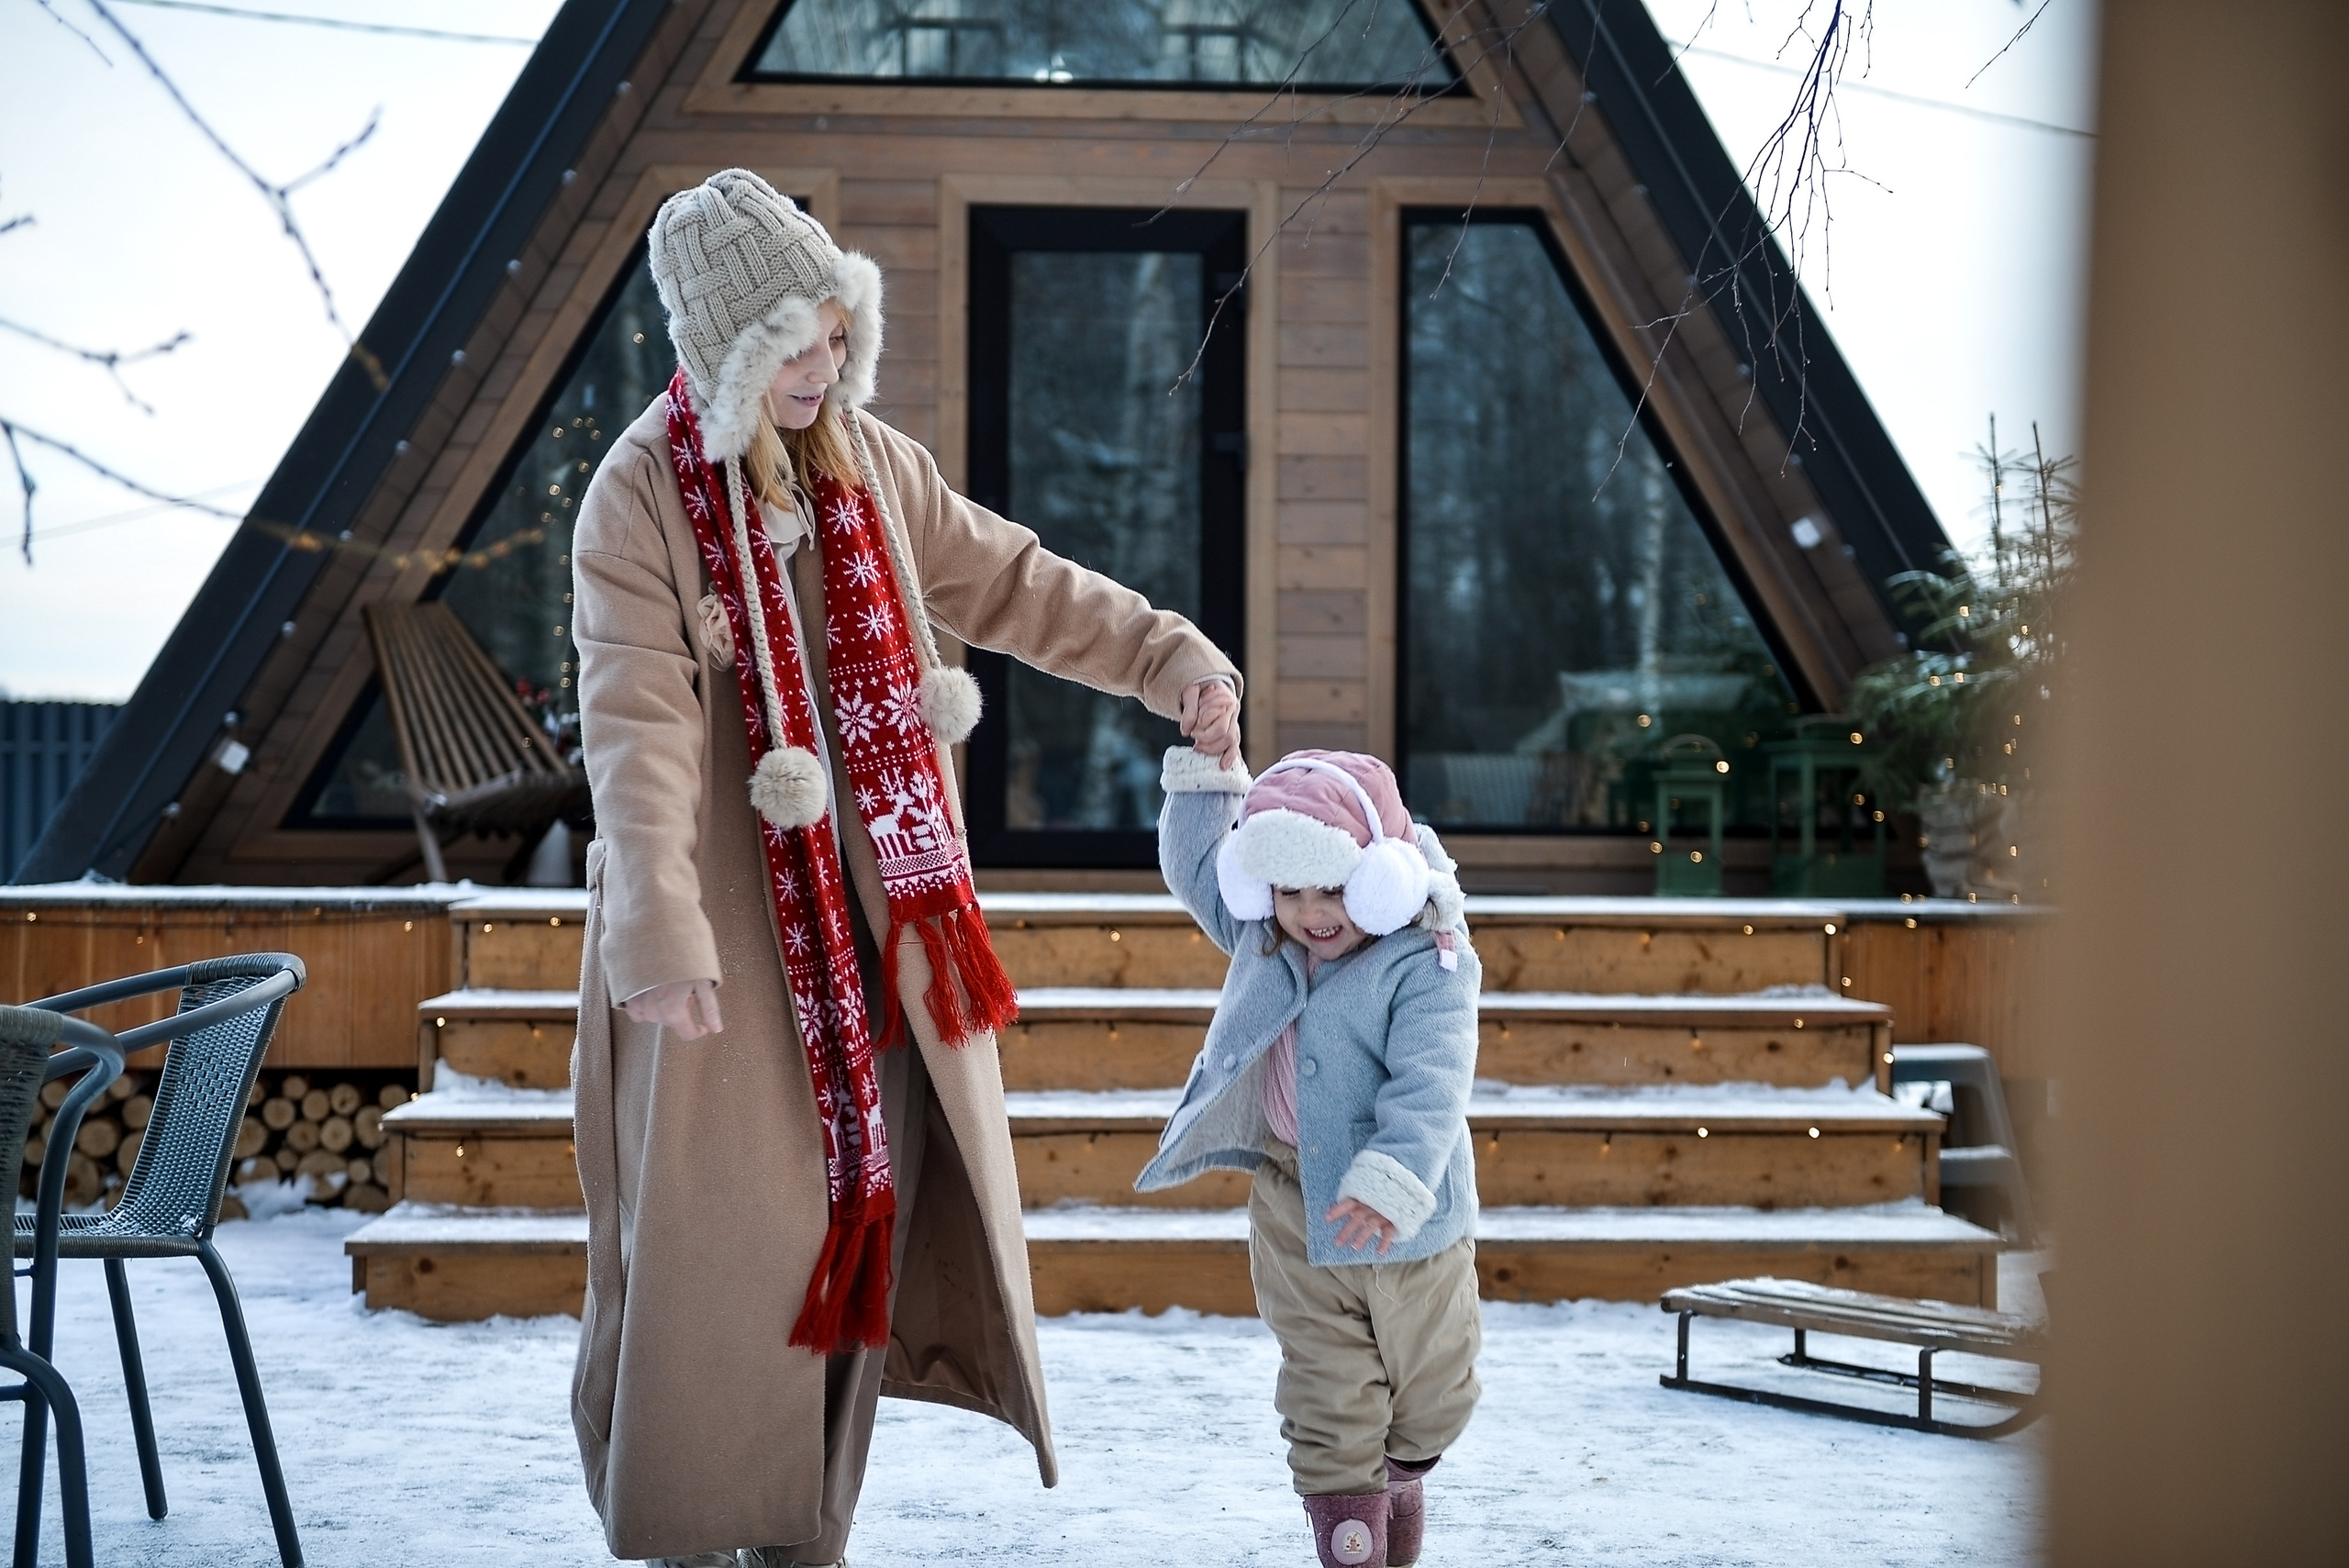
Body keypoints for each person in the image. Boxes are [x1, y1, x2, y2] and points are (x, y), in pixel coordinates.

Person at [568, 168, 1242, 1568]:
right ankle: (695, 1523)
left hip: (879, 932)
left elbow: (1019, 582)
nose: (822, 370)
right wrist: (656, 929)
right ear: (725, 351)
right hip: (720, 944)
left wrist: (1167, 654)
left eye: (832, 335)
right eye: (790, 349)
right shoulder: (638, 499)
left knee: (858, 1218)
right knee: (717, 1259)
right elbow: (633, 726)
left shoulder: (872, 466)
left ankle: (812, 1535)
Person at [1140, 746, 1482, 1568]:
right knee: (1330, 1401)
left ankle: (1396, 1480)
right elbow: (1196, 869)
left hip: (1414, 1222)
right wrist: (1208, 768)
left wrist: (1393, 1177)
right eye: (1287, 891)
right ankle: (1351, 1533)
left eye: (1331, 888)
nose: (1310, 911)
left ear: (1381, 877)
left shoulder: (1428, 959)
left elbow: (1432, 1082)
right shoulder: (1267, 938)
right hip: (1295, 1206)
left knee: (1436, 1398)